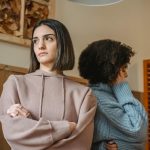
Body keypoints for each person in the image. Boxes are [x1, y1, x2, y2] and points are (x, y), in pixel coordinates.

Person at [0, 19, 97, 150]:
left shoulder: (83, 94)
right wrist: (65, 127)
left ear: (62, 44)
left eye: (48, 39)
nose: (40, 46)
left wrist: (30, 125)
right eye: (35, 41)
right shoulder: (15, 84)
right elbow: (13, 133)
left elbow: (80, 145)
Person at [78, 39, 148, 150]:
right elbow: (138, 131)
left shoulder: (108, 94)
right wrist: (121, 86)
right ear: (111, 70)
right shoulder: (100, 99)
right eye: (123, 68)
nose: (126, 74)